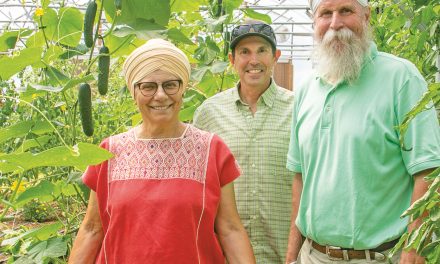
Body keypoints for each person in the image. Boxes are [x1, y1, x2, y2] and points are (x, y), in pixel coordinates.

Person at [69, 39, 255, 264]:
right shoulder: (109, 151)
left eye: (170, 85)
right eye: (148, 86)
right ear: (134, 92)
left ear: (182, 89)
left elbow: (230, 229)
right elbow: (91, 229)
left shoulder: (211, 150)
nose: (160, 95)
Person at [285, 0, 440, 263]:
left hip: (381, 256)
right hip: (313, 256)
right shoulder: (306, 89)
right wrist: (291, 255)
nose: (335, 23)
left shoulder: (401, 78)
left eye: (346, 11)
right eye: (325, 13)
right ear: (315, 22)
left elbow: (428, 172)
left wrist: (413, 251)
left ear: (366, 16)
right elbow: (301, 177)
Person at [193, 21, 294, 263]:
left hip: (285, 253)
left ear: (275, 56)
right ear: (232, 59)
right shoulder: (209, 113)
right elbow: (198, 186)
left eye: (261, 50)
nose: (254, 60)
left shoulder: (299, 109)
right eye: (244, 52)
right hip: (226, 256)